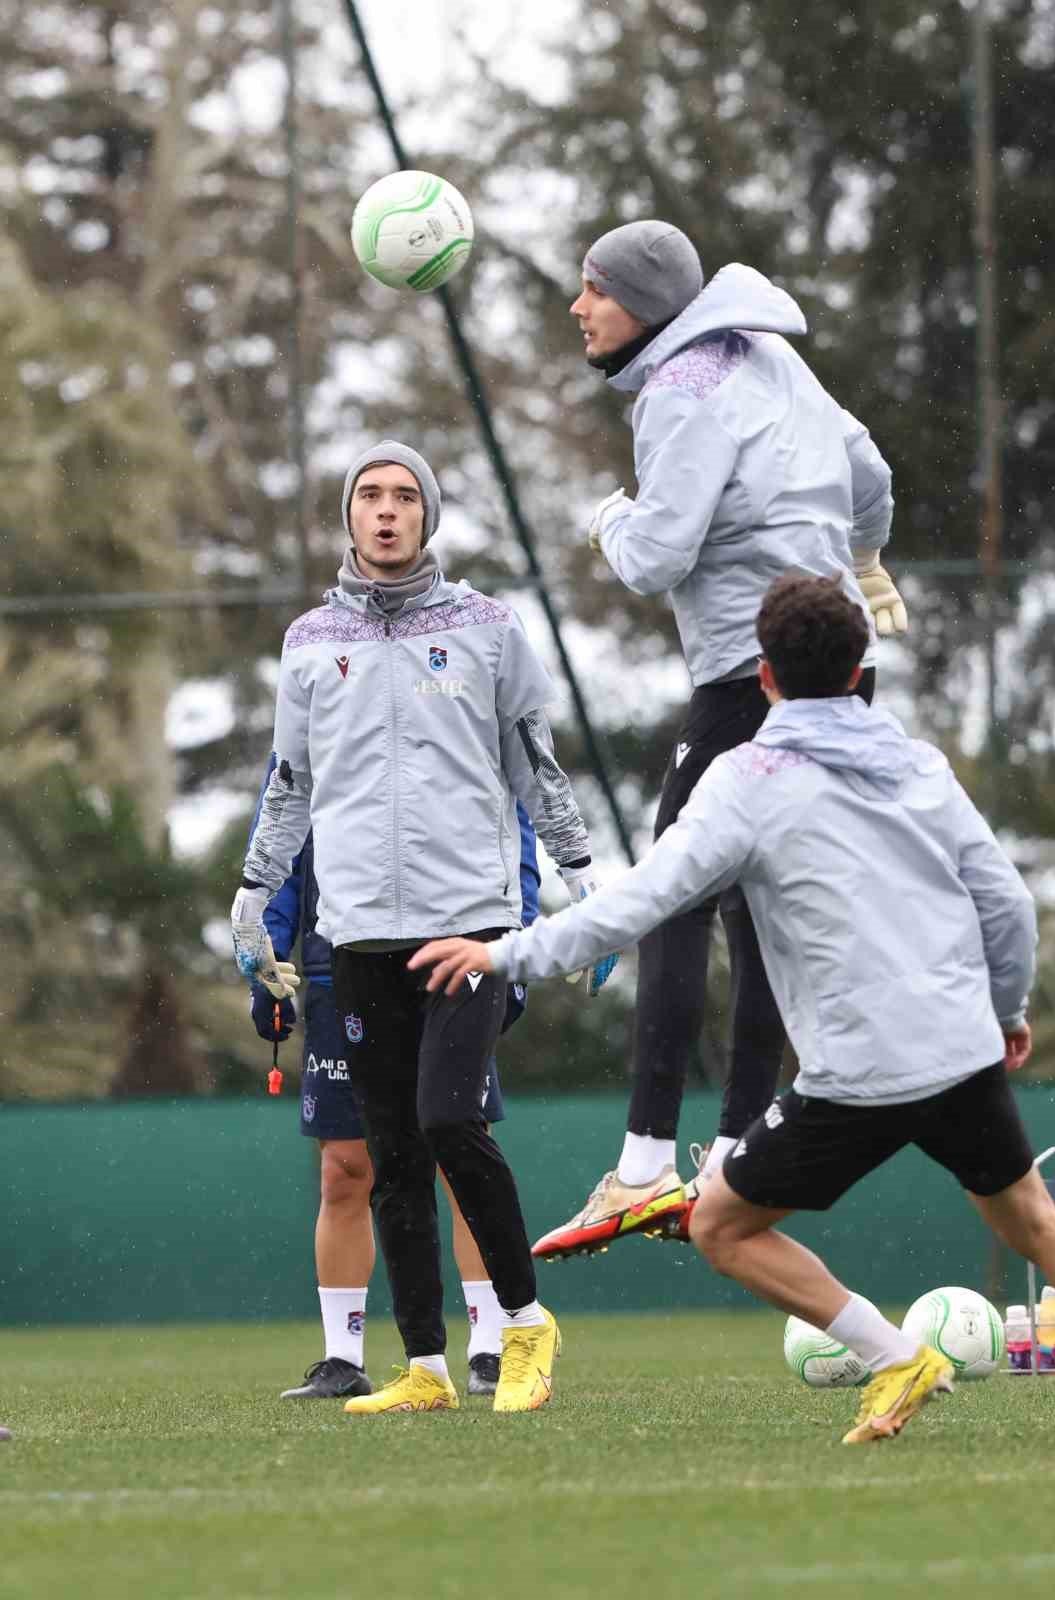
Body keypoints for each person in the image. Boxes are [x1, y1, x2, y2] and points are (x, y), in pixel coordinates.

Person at [411, 574, 1055, 1443]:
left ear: (763, 677)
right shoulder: (916, 762)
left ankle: (895, 1356)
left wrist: (503, 950)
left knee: (719, 1224)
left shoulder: (743, 779)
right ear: (862, 669)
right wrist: (1007, 1009)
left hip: (856, 1077)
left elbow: (638, 905)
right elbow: (1008, 903)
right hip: (957, 1052)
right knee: (1037, 1222)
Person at [538, 220, 906, 1260]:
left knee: (672, 894)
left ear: (645, 303)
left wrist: (606, 514)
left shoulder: (677, 390)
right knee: (763, 916)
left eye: (594, 290)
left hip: (754, 676)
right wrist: (868, 561)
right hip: (847, 663)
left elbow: (656, 557)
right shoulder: (773, 355)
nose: (579, 307)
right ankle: (735, 1152)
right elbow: (868, 465)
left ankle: (646, 1165)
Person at [232, 439, 607, 1415]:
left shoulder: (486, 627)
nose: (386, 511)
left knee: (450, 1120)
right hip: (354, 932)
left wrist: (583, 879)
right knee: (392, 1149)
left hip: (469, 927)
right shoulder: (311, 640)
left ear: (428, 516)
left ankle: (525, 1325)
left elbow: (535, 761)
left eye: (405, 497)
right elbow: (289, 785)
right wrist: (251, 893)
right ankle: (425, 1369)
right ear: (348, 515)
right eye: (369, 496)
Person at [248, 777, 542, 1401]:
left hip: (454, 945)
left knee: (456, 1139)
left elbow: (511, 812)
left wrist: (520, 941)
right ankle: (345, 1357)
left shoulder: (457, 700)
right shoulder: (316, 700)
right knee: (349, 1167)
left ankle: (493, 1346)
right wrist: (268, 949)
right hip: (342, 960)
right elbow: (283, 830)